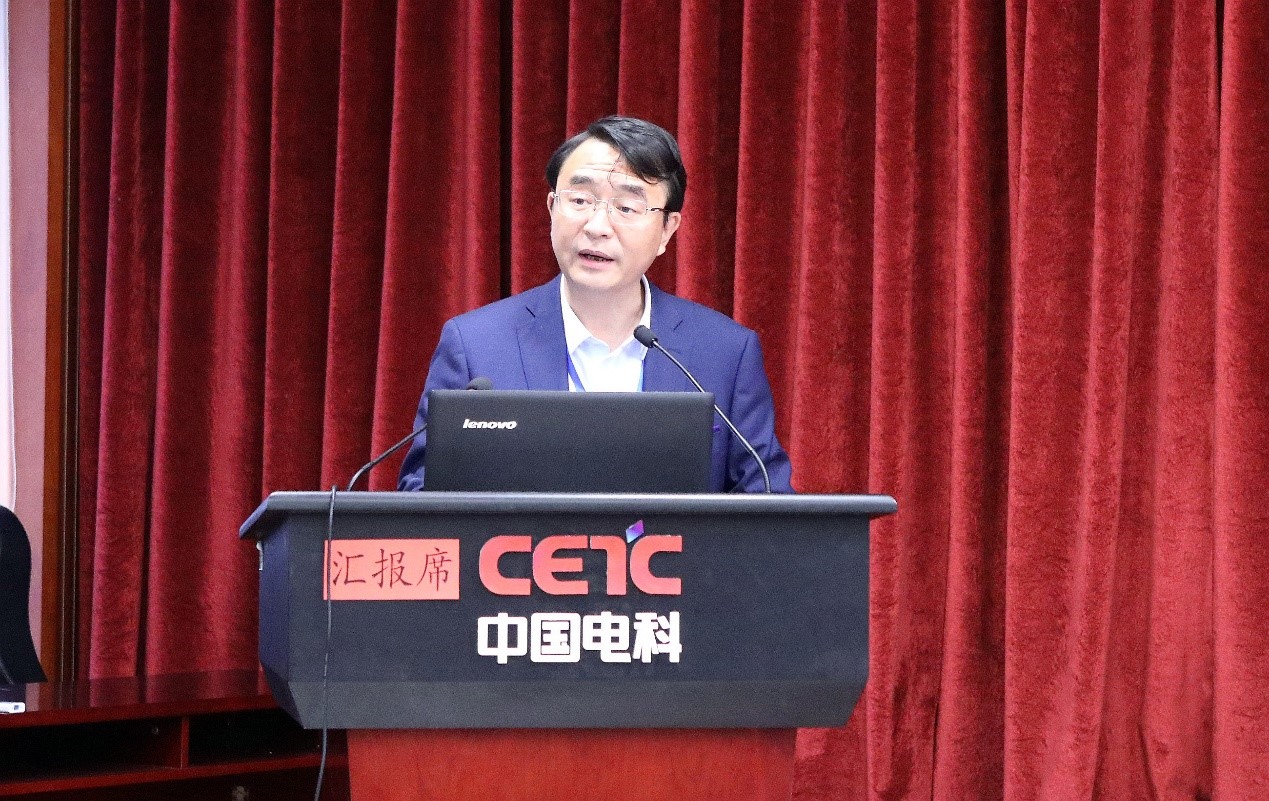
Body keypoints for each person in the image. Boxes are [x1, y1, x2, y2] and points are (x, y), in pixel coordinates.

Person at [397, 115, 793, 493]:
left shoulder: (725, 353)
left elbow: (766, 503)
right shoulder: (475, 345)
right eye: (580, 200)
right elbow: (423, 497)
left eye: (627, 208)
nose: (597, 226)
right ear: (552, 208)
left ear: (667, 230)